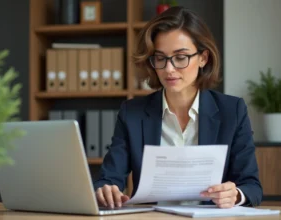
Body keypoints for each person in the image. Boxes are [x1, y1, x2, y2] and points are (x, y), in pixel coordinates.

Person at [93, 6, 262, 209]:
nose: (169, 69)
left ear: (203, 58)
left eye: (180, 57)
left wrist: (235, 195)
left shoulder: (232, 111)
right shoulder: (132, 113)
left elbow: (252, 186)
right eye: (160, 58)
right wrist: (106, 190)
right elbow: (108, 179)